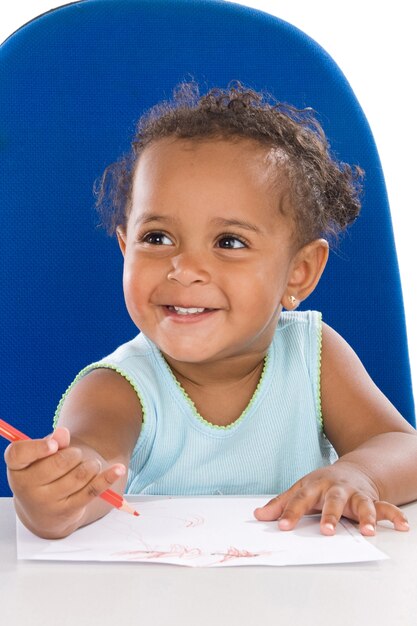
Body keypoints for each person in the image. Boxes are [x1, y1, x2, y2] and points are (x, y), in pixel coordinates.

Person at [5, 82, 417, 539]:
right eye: (157, 238)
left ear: (299, 272)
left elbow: (403, 446)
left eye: (229, 242)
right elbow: (93, 471)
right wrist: (55, 498)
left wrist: (361, 475)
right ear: (126, 248)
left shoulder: (313, 355)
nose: (184, 269)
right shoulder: (116, 388)